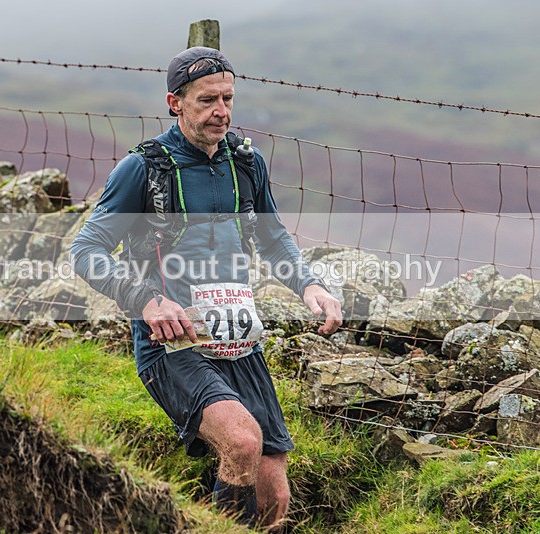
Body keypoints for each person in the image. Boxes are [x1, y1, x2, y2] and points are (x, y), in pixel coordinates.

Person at [70, 47, 341, 530]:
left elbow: (274, 238)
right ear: (175, 102)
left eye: (228, 99)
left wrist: (310, 285)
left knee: (275, 492)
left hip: (238, 340)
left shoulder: (246, 162)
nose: (222, 112)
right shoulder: (143, 168)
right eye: (207, 100)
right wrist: (146, 300)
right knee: (240, 441)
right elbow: (86, 249)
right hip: (172, 342)